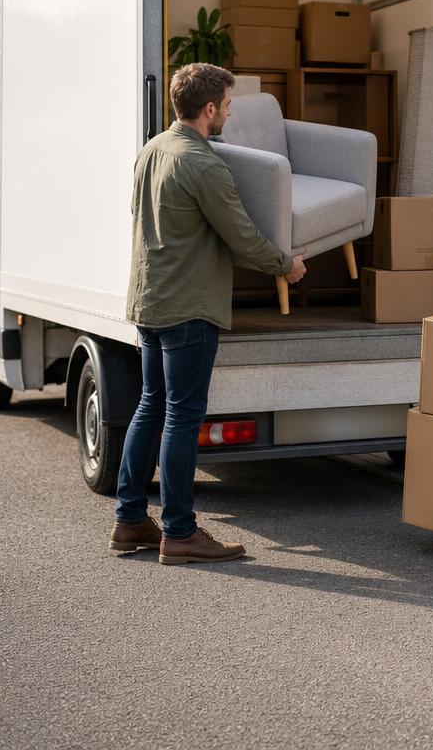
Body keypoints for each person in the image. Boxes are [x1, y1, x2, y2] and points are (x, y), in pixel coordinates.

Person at [109, 63, 306, 566]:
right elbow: (241, 236)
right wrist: (287, 265)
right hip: (188, 308)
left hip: (150, 301)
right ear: (210, 108)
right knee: (181, 415)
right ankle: (179, 533)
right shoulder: (205, 165)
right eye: (228, 104)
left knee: (151, 405)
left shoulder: (153, 150)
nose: (231, 112)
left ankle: (130, 520)